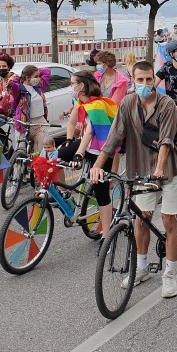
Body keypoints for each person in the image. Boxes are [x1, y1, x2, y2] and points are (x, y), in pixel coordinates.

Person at [90, 61, 177, 298]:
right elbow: (113, 139)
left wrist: (160, 168)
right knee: (142, 219)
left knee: (169, 220)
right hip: (140, 168)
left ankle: (170, 275)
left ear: (155, 79)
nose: (145, 84)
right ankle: (141, 268)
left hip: (170, 168)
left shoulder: (166, 104)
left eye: (149, 79)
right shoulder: (127, 103)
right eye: (140, 80)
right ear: (133, 80)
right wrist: (96, 166)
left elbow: (166, 140)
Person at [64, 70, 117, 239]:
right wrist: (69, 141)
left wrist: (78, 154)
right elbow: (73, 123)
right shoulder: (80, 102)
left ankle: (106, 236)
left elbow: (90, 134)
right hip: (87, 147)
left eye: (73, 84)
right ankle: (64, 194)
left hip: (101, 152)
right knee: (53, 157)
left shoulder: (97, 106)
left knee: (101, 194)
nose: (71, 86)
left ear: (82, 85)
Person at [15, 65, 52, 152]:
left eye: (39, 76)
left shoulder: (38, 86)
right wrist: (19, 76)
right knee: (20, 150)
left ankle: (36, 165)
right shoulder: (19, 89)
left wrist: (35, 71)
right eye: (36, 76)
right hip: (24, 123)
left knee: (40, 150)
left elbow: (47, 71)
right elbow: (12, 83)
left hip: (40, 122)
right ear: (27, 78)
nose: (38, 78)